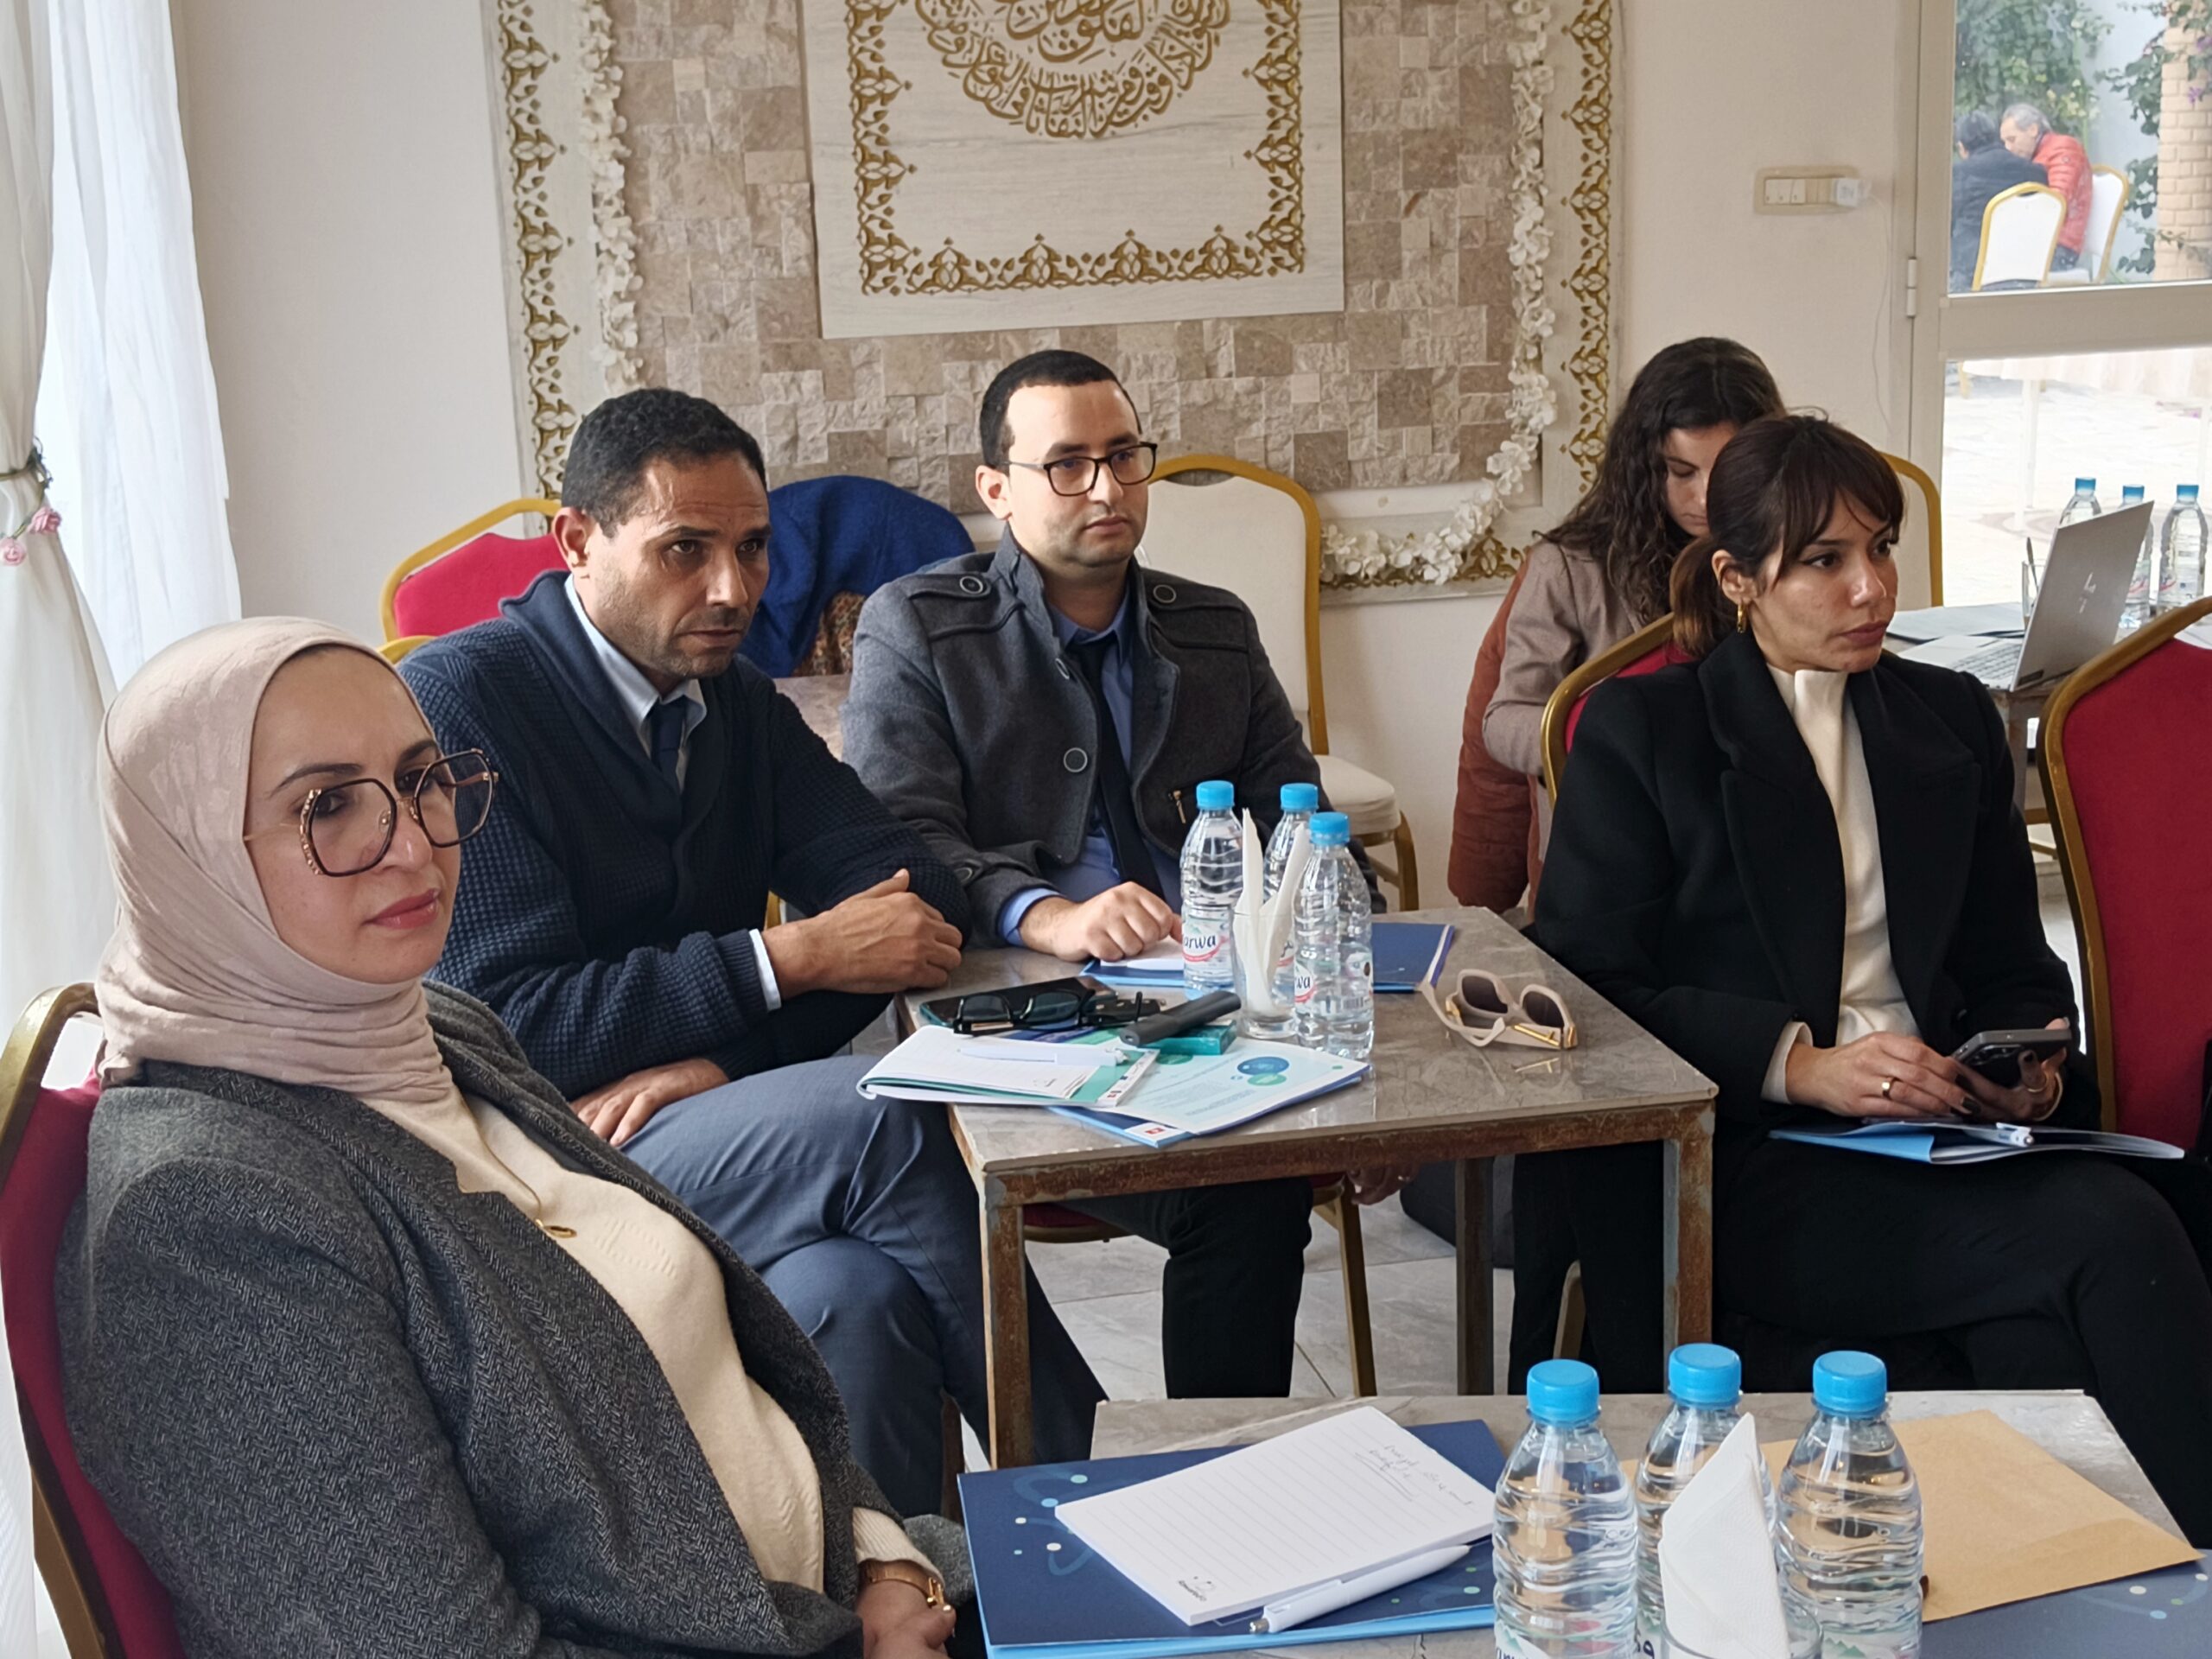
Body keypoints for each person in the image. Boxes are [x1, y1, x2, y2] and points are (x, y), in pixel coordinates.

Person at [60, 618, 978, 1655]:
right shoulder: (204, 1219)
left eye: (422, 780)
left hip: (840, 1594)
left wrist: (884, 1563)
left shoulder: (436, 1027)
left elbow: (749, 1372)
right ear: (186, 855)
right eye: (328, 806)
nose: (415, 845)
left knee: (857, 1289)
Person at [400, 388, 1102, 1510]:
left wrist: (727, 1061)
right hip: (533, 1164)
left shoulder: (734, 705)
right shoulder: (459, 701)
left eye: (754, 548)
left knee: (854, 1293)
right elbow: (516, 1027)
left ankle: (908, 1588)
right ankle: (1101, 1500)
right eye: (685, 549)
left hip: (692, 1127)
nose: (734, 591)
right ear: (577, 541)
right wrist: (785, 961)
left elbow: (908, 906)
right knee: (888, 1118)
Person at [1522, 415, 2212, 1543]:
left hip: (1943, 1134)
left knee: (2034, 1334)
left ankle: (2082, 1591)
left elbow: (2013, 959)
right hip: (1748, 1158)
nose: (1871, 588)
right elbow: (1587, 991)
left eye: (1881, 548)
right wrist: (1802, 1066)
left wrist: (2027, 1064)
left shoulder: (1945, 717)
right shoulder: (1647, 730)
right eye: (1825, 560)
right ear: (1737, 579)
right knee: (2114, 1237)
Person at [843, 348, 1395, 1401]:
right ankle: (1186, 1467)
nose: (1106, 488)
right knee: (1241, 1187)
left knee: (1257, 1181)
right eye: (1067, 465)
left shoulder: (1213, 627)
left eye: (1124, 457)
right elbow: (897, 841)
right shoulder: (918, 624)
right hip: (1034, 1027)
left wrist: (1367, 1058)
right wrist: (1042, 912)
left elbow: (1305, 834)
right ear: (996, 489)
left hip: (1226, 1015)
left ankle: (1229, 1467)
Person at [1480, 339, 1784, 798]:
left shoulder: (1789, 556)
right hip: (1612, 819)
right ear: (1644, 467)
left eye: (1727, 470)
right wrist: (1607, 736)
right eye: (1682, 472)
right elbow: (1504, 720)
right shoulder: (1570, 568)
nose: (1705, 497)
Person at [1951, 111, 2048, 291]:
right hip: (2024, 271)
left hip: (1973, 275)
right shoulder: (2035, 172)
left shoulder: (1959, 174)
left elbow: (1946, 224)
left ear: (1962, 148)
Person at [2000, 102, 2091, 273]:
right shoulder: (2043, 153)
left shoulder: (2064, 148)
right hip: (2046, 243)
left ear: (2033, 130)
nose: (2008, 148)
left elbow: (2056, 203)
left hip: (2059, 245)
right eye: (2005, 142)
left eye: (2012, 140)